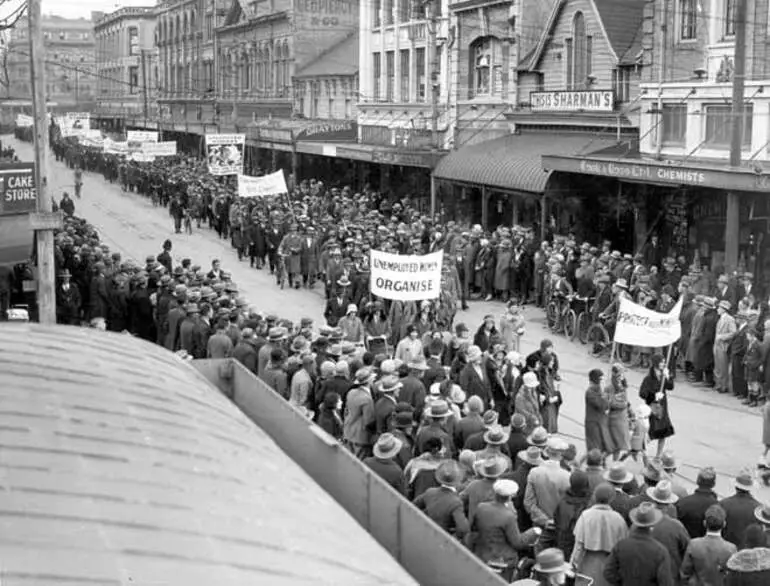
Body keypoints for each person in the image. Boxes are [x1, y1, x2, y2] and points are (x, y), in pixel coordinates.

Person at [469, 479, 541, 581]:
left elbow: (474, 528)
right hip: (502, 561)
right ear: (511, 496)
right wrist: (533, 532)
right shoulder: (508, 516)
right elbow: (517, 543)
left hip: (482, 555)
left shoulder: (481, 507)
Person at [604, 502, 675, 586]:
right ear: (653, 524)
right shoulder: (660, 551)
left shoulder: (621, 545)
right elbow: (665, 582)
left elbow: (608, 572)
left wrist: (622, 582)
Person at [571, 483, 628, 586]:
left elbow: (578, 546)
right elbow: (622, 549)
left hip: (587, 565)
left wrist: (573, 566)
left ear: (595, 496)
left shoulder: (586, 516)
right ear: (611, 498)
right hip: (609, 567)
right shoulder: (619, 519)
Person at [680, 504, 737, 586]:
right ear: (724, 524)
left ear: (704, 523)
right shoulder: (731, 549)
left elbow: (685, 573)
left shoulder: (694, 544)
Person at [639, 353, 675, 458]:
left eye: (664, 361)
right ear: (656, 363)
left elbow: (670, 387)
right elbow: (642, 393)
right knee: (651, 432)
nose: (664, 364)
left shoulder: (663, 376)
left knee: (663, 433)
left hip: (663, 407)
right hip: (653, 408)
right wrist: (654, 395)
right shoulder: (648, 379)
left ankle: (658, 456)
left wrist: (668, 377)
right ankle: (641, 449)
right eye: (662, 362)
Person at [585, 368, 610, 455]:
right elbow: (602, 405)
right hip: (593, 423)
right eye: (600, 379)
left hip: (601, 422)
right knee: (594, 447)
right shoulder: (590, 392)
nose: (601, 381)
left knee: (603, 446)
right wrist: (605, 397)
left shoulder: (598, 389)